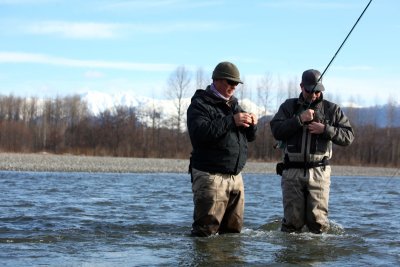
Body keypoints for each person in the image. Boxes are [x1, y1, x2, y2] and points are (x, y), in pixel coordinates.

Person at [270, 69, 354, 234]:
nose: (314, 95)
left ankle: (314, 258)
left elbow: (349, 137)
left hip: (319, 172)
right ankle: (291, 257)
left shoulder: (332, 109)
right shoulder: (289, 106)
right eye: (310, 90)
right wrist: (299, 120)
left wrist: (325, 129)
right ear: (301, 87)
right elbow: (276, 130)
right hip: (291, 172)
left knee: (318, 225)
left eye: (318, 91)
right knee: (291, 225)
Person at [186, 61, 258, 237]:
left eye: (236, 84)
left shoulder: (234, 105)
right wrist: (232, 121)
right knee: (205, 234)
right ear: (217, 80)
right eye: (230, 82)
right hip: (210, 177)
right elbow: (200, 133)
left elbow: (250, 138)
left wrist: (252, 126)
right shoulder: (200, 104)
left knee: (233, 234)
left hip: (235, 177)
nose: (234, 87)